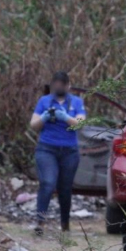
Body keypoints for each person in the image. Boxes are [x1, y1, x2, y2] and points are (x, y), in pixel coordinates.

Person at [30, 72, 86, 235]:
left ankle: (65, 223)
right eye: (57, 84)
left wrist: (65, 117)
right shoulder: (44, 101)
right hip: (47, 148)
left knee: (65, 188)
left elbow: (80, 124)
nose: (59, 87)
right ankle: (40, 221)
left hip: (69, 151)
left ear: (68, 85)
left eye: (63, 84)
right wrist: (45, 117)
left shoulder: (76, 102)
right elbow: (33, 125)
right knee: (48, 183)